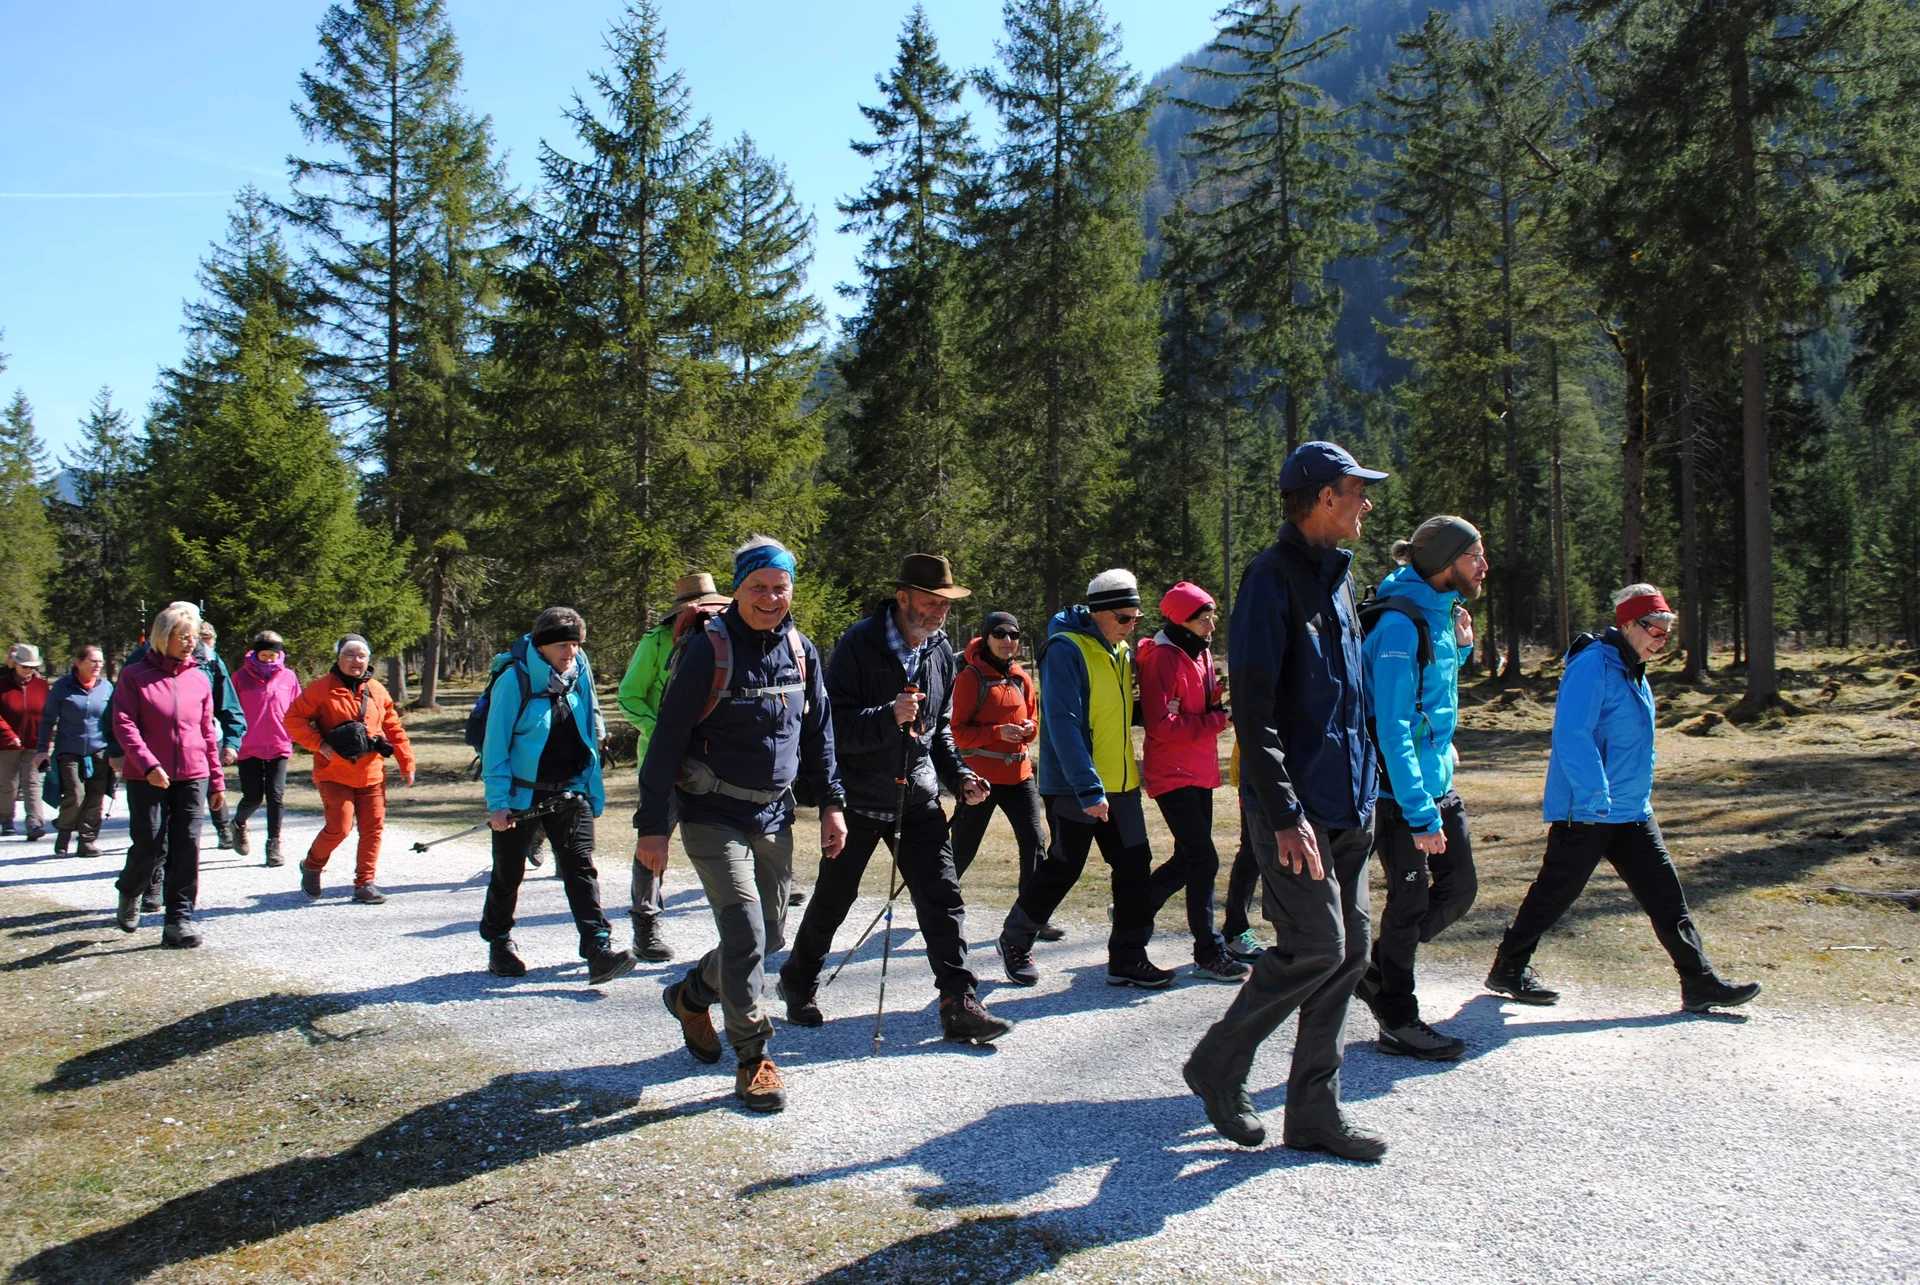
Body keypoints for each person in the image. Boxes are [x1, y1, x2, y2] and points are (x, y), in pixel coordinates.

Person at [1183, 440, 1389, 1161]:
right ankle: (1217, 1061)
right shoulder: (1271, 580)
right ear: (1324, 497)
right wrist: (1284, 813)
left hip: (1352, 805)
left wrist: (1373, 789)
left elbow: (1350, 700)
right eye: (1357, 490)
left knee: (1351, 949)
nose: (1366, 502)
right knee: (1317, 946)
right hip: (1295, 812)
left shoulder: (1339, 579)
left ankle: (1313, 1113)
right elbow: (1259, 713)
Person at [640, 536, 846, 1114]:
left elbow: (819, 734)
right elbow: (666, 740)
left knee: (771, 935)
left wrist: (832, 804)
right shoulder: (709, 650)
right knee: (746, 933)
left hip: (775, 813)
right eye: (758, 587)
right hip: (712, 813)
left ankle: (691, 994)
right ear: (739, 589)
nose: (770, 598)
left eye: (780, 588)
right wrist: (653, 826)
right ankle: (754, 1057)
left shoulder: (802, 650)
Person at [1485, 584, 1762, 1014]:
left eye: (1667, 634)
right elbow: (1572, 735)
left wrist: (1631, 797)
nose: (1662, 640)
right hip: (1590, 809)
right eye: (1656, 631)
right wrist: (1595, 796)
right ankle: (1508, 967)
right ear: (1630, 624)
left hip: (1631, 810)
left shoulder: (1632, 667)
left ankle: (1700, 982)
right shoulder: (1594, 663)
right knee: (1555, 894)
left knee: (1666, 897)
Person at [778, 554, 1013, 1045]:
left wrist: (962, 776)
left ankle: (958, 1001)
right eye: (929, 603)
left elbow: (940, 731)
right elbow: (830, 728)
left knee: (942, 899)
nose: (936, 614)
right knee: (833, 900)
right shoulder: (856, 645)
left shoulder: (940, 650)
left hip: (918, 796)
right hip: (860, 798)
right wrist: (887, 715)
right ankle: (797, 983)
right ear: (902, 597)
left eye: (944, 606)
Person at [997, 568, 1175, 990]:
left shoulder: (1119, 649)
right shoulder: (1064, 649)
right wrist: (1089, 787)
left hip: (1123, 784)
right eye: (1125, 618)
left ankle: (1128, 958)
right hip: (1077, 785)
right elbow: (1063, 723)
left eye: (1137, 618)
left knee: (1134, 866)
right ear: (1099, 613)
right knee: (1065, 866)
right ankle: (1016, 937)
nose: (1132, 626)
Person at [1354, 516, 1487, 1061]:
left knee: (1460, 890)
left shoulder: (1438, 615)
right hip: (1398, 796)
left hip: (1435, 785)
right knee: (1408, 904)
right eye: (1475, 555)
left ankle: (1377, 970)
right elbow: (1392, 728)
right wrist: (1419, 814)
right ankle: (1398, 1017)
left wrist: (1462, 650)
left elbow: (1430, 701)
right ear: (1446, 562)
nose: (1484, 565)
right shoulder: (1399, 627)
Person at [479, 607, 637, 988]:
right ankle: (499, 943)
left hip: (570, 791)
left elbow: (590, 715)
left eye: (576, 644)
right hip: (520, 796)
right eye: (564, 645)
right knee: (508, 873)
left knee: (580, 867)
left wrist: (591, 776)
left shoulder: (578, 668)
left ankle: (598, 949)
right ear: (544, 645)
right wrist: (499, 802)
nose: (572, 652)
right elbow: (495, 744)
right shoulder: (514, 680)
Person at [615, 571, 734, 962]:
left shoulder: (727, 638)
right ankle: (645, 925)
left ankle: (754, 917)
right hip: (665, 762)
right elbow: (629, 697)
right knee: (653, 843)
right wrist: (664, 731)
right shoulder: (655, 642)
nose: (705, 613)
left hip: (716, 762)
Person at [1138, 581, 1246, 983]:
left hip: (1199, 769)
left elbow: (1195, 710)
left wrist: (1214, 706)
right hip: (1171, 772)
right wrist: (1218, 720)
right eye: (1204, 617)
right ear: (1182, 620)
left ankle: (1136, 909)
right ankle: (1208, 951)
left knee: (1189, 857)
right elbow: (1162, 725)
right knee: (1204, 859)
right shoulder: (1162, 658)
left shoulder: (1199, 654)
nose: (1212, 624)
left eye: (1212, 615)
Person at [110, 602, 223, 946]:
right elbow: (124, 724)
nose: (191, 643)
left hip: (193, 774)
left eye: (193, 637)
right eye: (182, 637)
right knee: (150, 843)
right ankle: (130, 889)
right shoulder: (134, 675)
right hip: (147, 775)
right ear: (164, 637)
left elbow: (207, 731)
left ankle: (179, 920)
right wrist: (148, 764)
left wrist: (216, 780)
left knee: (187, 845)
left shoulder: (200, 678)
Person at [283, 634, 415, 904]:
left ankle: (365, 882)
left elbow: (393, 727)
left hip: (372, 773)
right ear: (339, 658)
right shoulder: (320, 689)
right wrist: (318, 744)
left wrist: (406, 761)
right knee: (339, 828)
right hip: (333, 773)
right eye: (350, 655)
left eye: (361, 655)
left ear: (368, 659)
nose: (356, 661)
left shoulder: (377, 690)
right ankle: (312, 864)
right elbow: (293, 719)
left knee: (372, 829)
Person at [947, 611, 1055, 939]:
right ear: (986, 637)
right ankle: (938, 906)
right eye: (1000, 634)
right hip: (981, 779)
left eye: (1014, 635)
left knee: (1034, 843)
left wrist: (1027, 728)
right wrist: (998, 732)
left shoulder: (1022, 677)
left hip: (1020, 775)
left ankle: (1031, 916)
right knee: (963, 847)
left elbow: (1034, 721)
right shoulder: (970, 678)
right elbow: (957, 733)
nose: (1008, 641)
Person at [34, 645, 115, 857]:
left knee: (96, 797)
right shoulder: (62, 687)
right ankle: (64, 831)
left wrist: (119, 751)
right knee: (75, 795)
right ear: (78, 662)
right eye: (93, 661)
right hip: (69, 750)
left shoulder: (106, 687)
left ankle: (87, 841)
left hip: (100, 749)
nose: (98, 666)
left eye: (100, 662)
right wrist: (42, 750)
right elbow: (48, 720)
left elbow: (114, 720)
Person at [231, 631, 302, 866]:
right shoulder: (240, 678)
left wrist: (296, 734)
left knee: (276, 797)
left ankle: (273, 845)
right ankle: (239, 823)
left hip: (279, 744)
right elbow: (231, 711)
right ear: (256, 654)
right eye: (265, 654)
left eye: (273, 654)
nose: (269, 659)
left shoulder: (288, 677)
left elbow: (297, 707)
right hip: (248, 744)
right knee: (253, 797)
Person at [194, 622, 247, 848]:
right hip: (189, 736)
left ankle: (224, 829)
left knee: (215, 781)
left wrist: (231, 741)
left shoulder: (214, 662)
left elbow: (228, 704)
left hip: (210, 733)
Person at [0, 643, 51, 840]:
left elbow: (48, 714)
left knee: (33, 783)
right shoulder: (2, 684)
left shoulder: (42, 686)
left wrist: (44, 743)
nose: (28, 670)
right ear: (16, 664)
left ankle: (35, 823)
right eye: (25, 666)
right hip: (6, 744)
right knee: (8, 784)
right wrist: (9, 735)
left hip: (34, 743)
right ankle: (6, 819)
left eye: (32, 667)